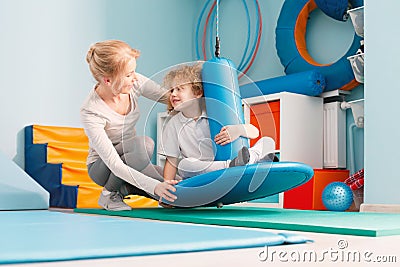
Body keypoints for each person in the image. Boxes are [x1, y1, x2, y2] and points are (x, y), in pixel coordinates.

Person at [80, 40, 178, 211]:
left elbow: (169, 97)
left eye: (134, 71)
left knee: (178, 192)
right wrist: (154, 186)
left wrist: (196, 94)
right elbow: (114, 164)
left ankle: (124, 189)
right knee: (145, 145)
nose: (134, 78)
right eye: (128, 75)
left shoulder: (134, 82)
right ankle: (108, 194)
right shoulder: (91, 111)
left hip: (134, 158)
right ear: (108, 80)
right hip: (104, 168)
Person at [159, 63, 277, 181]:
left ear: (198, 93)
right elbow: (171, 160)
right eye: (172, 90)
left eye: (179, 89)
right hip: (204, 171)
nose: (173, 94)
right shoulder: (173, 124)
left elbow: (254, 132)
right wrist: (167, 184)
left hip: (227, 160)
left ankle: (250, 159)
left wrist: (238, 130)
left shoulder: (215, 113)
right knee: (184, 165)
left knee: (268, 141)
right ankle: (239, 164)